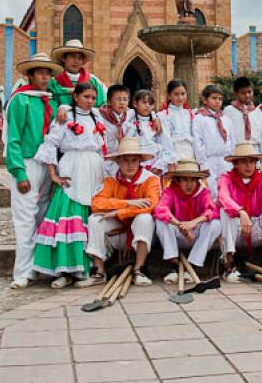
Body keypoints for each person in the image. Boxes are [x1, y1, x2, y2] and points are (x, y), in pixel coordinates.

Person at [33, 82, 106, 287]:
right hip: (72, 169)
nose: (90, 101)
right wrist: (53, 174)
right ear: (76, 97)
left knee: (91, 216)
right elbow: (51, 144)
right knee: (67, 216)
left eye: (93, 98)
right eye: (86, 97)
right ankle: (64, 270)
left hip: (94, 170)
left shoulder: (97, 117)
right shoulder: (65, 116)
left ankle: (89, 267)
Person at [4, 52, 61, 289]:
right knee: (25, 217)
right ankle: (23, 271)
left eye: (48, 72)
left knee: (44, 215)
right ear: (30, 75)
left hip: (47, 162)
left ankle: (39, 266)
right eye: (40, 72)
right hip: (27, 161)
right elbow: (13, 138)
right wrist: (19, 172)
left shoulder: (52, 101)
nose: (45, 77)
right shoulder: (21, 100)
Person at [86, 137, 159, 286]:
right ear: (118, 162)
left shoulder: (151, 180)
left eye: (134, 160)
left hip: (142, 234)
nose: (130, 165)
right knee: (95, 219)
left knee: (145, 218)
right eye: (125, 160)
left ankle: (139, 269)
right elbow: (96, 203)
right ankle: (99, 271)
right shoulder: (111, 180)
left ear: (140, 161)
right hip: (118, 234)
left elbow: (151, 205)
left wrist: (118, 213)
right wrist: (127, 203)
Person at [217, 141, 262, 282]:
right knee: (225, 212)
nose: (249, 166)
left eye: (252, 161)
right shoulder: (226, 179)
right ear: (235, 164)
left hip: (255, 229)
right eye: (244, 162)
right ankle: (229, 263)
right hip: (236, 230)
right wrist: (241, 212)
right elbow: (223, 197)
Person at [155, 159, 222, 281]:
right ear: (178, 180)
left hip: (196, 234)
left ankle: (193, 265)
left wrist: (194, 222)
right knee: (161, 222)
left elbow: (212, 211)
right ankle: (174, 265)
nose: (189, 184)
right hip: (178, 233)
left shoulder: (203, 192)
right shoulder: (170, 191)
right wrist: (180, 225)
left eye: (193, 180)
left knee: (215, 224)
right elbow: (161, 209)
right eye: (185, 179)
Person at [193, 84, 234, 198]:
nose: (218, 101)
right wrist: (203, 163)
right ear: (205, 100)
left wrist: (231, 159)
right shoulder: (200, 119)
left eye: (220, 99)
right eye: (214, 98)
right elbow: (198, 141)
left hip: (225, 160)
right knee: (211, 191)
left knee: (226, 190)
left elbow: (231, 139)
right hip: (209, 160)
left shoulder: (226, 119)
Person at [128, 89, 176, 174]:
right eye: (144, 102)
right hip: (136, 162)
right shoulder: (130, 119)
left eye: (150, 103)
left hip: (155, 162)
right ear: (135, 104)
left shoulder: (157, 122)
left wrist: (159, 166)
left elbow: (165, 143)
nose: (147, 106)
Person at [49, 39, 106, 108]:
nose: (76, 61)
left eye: (79, 58)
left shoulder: (93, 81)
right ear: (63, 58)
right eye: (73, 57)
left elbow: (102, 105)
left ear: (83, 61)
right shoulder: (53, 83)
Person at [224, 76, 262, 155]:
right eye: (243, 93)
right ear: (236, 94)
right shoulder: (228, 111)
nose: (247, 95)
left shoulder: (258, 112)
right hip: (236, 152)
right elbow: (226, 135)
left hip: (254, 152)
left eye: (249, 92)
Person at [99, 84, 134, 177]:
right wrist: (63, 108)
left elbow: (146, 111)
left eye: (125, 99)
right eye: (118, 99)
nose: (122, 103)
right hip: (105, 160)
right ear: (109, 101)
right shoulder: (100, 115)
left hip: (123, 161)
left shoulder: (130, 115)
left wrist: (155, 117)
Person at [158, 79, 195, 160]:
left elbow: (194, 135)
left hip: (190, 153)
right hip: (173, 152)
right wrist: (171, 158)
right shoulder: (164, 115)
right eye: (176, 94)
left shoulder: (190, 113)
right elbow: (165, 138)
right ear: (169, 96)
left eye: (183, 94)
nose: (180, 97)